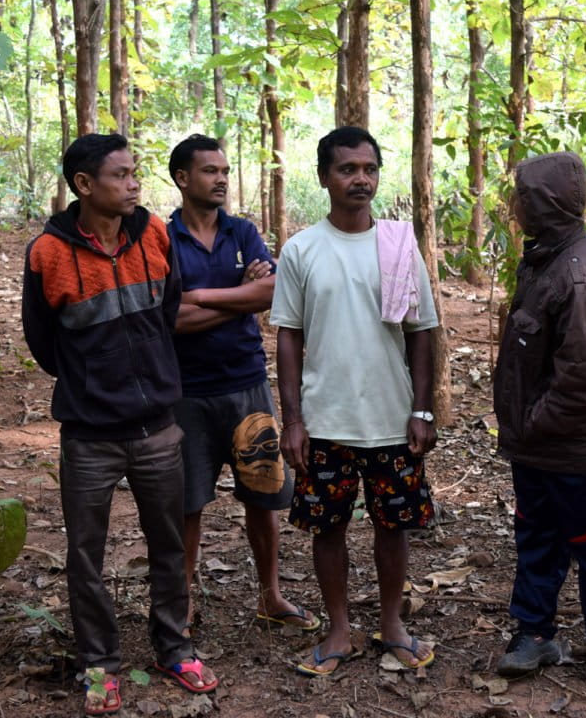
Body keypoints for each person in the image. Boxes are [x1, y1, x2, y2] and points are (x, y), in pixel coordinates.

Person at [22, 133, 217, 714]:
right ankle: (98, 663)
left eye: (136, 173)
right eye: (121, 175)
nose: (135, 184)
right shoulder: (47, 253)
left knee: (168, 544)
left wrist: (149, 381)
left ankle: (173, 647)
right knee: (87, 554)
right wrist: (94, 385)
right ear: (84, 185)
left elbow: (168, 308)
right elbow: (43, 342)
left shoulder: (154, 233)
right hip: (89, 435)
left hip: (158, 426)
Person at [271, 126, 439, 676]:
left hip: (391, 417)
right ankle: (339, 628)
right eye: (347, 169)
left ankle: (391, 623)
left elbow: (421, 331)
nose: (360, 179)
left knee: (393, 526)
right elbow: (289, 335)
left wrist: (421, 408)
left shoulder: (398, 244)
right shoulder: (301, 249)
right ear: (324, 177)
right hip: (327, 420)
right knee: (329, 526)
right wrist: (292, 419)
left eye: (368, 169)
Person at [491, 152, 586, 700]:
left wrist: (532, 423)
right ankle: (535, 633)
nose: (514, 206)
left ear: (546, 203)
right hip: (534, 447)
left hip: (572, 450)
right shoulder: (544, 259)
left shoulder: (579, 274)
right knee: (536, 538)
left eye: (522, 196)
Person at [166, 134, 319, 634]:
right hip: (185, 391)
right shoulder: (161, 238)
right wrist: (238, 294)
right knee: (188, 500)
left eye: (224, 170)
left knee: (263, 492)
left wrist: (205, 296)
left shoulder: (242, 232)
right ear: (183, 178)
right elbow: (170, 318)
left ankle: (270, 594)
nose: (222, 179)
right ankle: (184, 600)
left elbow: (273, 292)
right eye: (210, 171)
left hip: (246, 383)